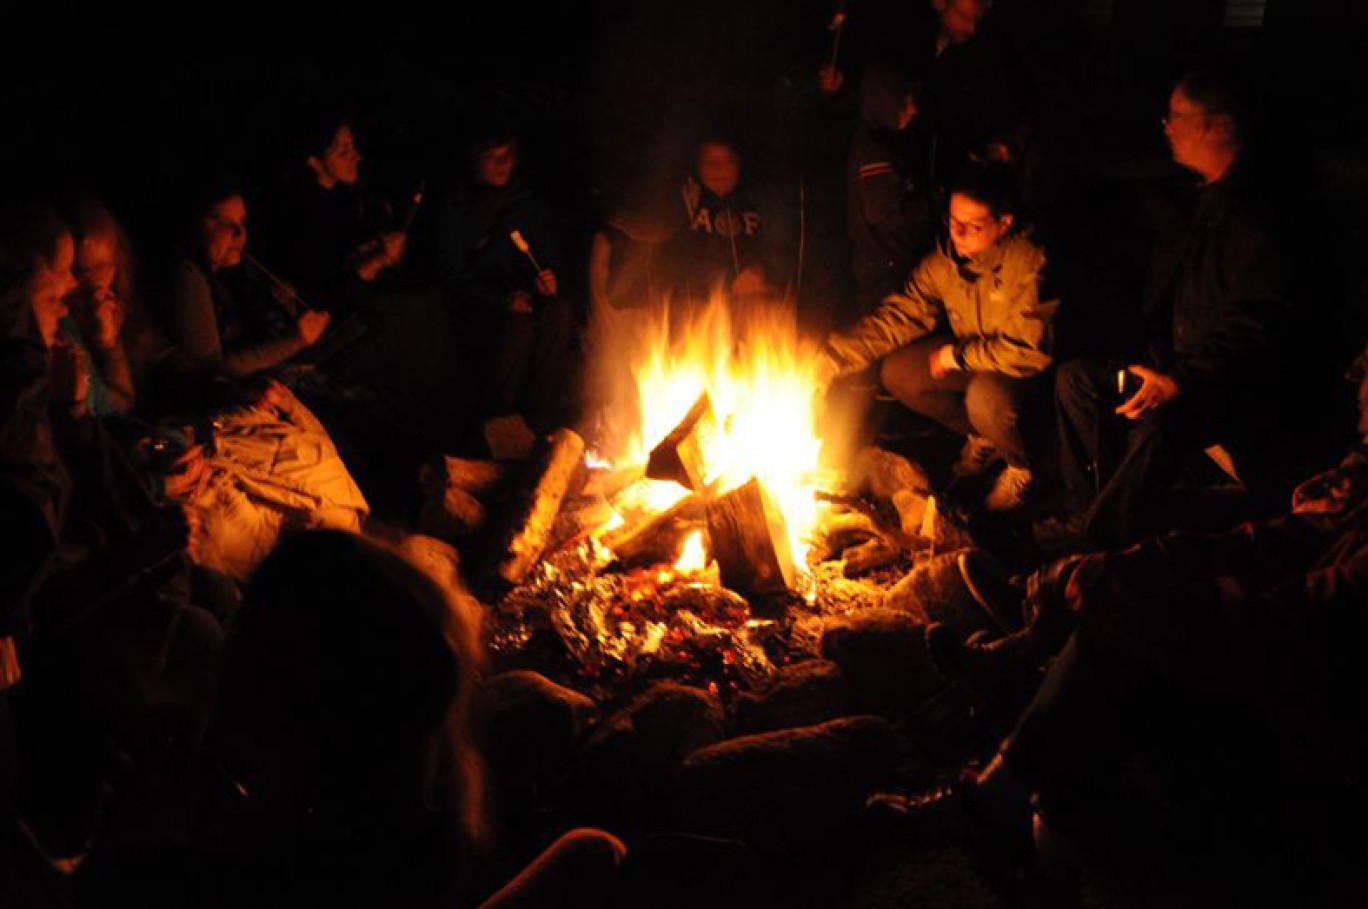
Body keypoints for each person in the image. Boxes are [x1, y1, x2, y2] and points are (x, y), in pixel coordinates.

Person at [872, 340, 1368, 905]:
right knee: (1127, 593)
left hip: (1315, 702)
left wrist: (1166, 595)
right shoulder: (1357, 486)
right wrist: (1124, 568)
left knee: (1125, 628)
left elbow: (1299, 618)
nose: (1357, 387)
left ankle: (1012, 737)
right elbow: (1266, 545)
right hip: (1274, 638)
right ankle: (1028, 688)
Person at [1052, 72, 1334, 549]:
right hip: (1182, 363)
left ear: (1216, 125)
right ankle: (1094, 520)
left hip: (1234, 381)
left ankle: (1100, 546)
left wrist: (1183, 379)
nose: (1165, 127)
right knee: (1077, 380)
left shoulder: (1257, 213)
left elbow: (1255, 322)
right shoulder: (1200, 199)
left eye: (1176, 118)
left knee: (1164, 423)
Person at [820, 161, 1058, 510]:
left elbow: (1030, 350)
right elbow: (901, 315)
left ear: (1004, 224)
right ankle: (984, 438)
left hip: (1024, 373)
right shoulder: (944, 263)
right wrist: (830, 360)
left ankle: (1023, 465)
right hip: (976, 358)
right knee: (899, 373)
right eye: (953, 221)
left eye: (972, 227)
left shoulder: (1031, 262)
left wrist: (956, 357)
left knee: (985, 398)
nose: (957, 234)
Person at [436, 133, 576, 434]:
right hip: (481, 306)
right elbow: (452, 277)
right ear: (476, 161)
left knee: (560, 313)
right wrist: (501, 300)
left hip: (527, 297)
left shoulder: (528, 205)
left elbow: (550, 257)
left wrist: (549, 279)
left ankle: (541, 418)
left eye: (507, 156)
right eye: (491, 158)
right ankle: (501, 424)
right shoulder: (459, 208)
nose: (501, 165)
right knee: (518, 328)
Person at [168, 188, 330, 378]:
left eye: (242, 223)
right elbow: (212, 368)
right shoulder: (187, 274)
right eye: (225, 223)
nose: (239, 232)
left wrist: (277, 302)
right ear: (195, 224)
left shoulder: (229, 277)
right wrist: (295, 340)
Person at [847, 62, 935, 311]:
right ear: (885, 101)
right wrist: (936, 204)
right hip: (885, 270)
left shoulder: (889, 143)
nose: (913, 109)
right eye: (904, 102)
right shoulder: (873, 150)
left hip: (890, 264)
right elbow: (885, 212)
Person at [673, 136, 775, 301]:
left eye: (729, 162)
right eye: (711, 163)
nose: (719, 170)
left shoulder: (758, 202)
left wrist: (761, 270)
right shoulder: (687, 201)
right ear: (698, 165)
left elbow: (779, 250)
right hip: (698, 307)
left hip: (753, 306)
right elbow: (676, 257)